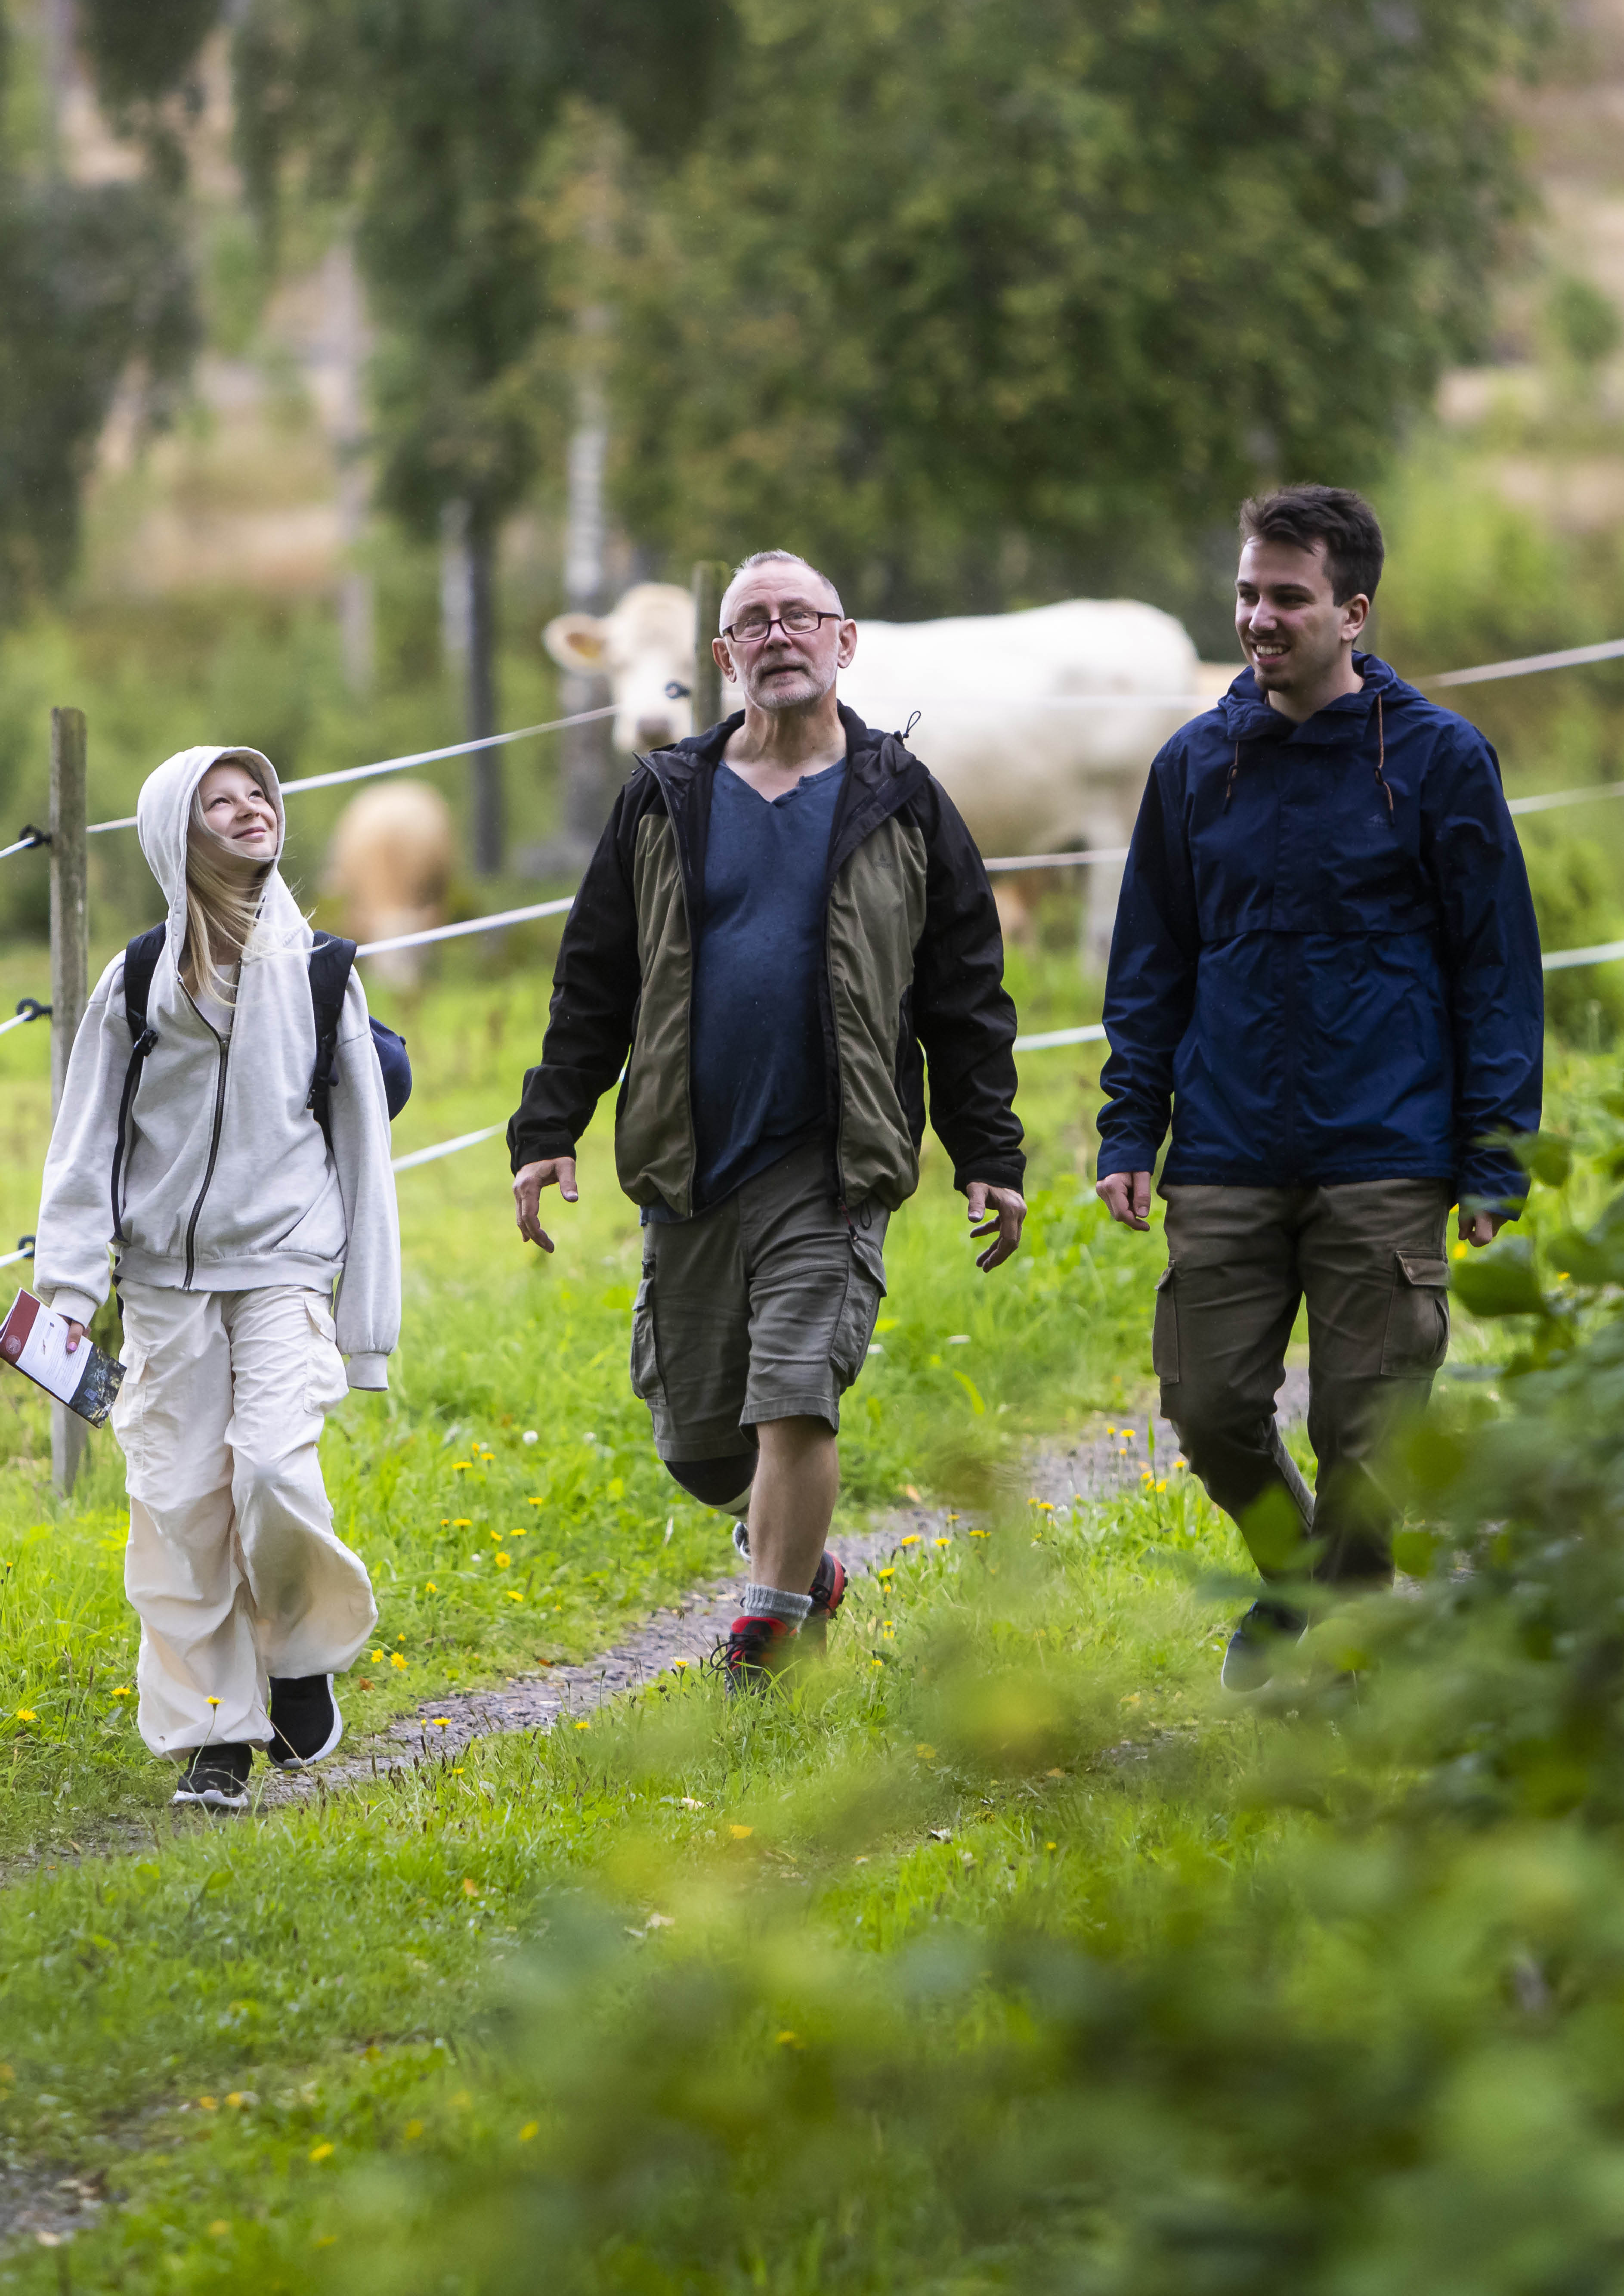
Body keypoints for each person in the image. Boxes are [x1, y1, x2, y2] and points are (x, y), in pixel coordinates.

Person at [507, 548, 1029, 1687]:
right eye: (755, 621)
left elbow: (965, 990)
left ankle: (768, 1631)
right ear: (723, 657)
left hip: (833, 1158)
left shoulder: (902, 798)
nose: (780, 634)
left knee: (796, 1392)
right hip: (692, 1155)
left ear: (845, 643)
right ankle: (805, 1566)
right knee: (701, 1445)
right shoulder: (665, 797)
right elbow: (594, 975)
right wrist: (549, 1126)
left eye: (803, 616)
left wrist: (990, 1150)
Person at [1095, 484, 1544, 1692]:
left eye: (1286, 597)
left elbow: (1494, 968)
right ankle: (1309, 1589)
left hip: (1386, 1150)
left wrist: (1494, 1155)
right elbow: (1151, 964)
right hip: (1229, 1145)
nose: (1258, 618)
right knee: (1206, 1406)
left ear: (1352, 612)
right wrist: (1130, 1124)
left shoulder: (1439, 761)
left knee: (1368, 1432)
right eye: (1246, 593)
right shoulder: (1193, 768)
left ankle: (1339, 1645)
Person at [33, 747, 399, 1810]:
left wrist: (367, 1324)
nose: (250, 812)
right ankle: (214, 1743)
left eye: (260, 797)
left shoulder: (327, 971)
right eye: (220, 802)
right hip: (162, 1285)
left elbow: (364, 1151)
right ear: (173, 835)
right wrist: (63, 1296)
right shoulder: (138, 976)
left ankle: (296, 1660)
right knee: (183, 1510)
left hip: (287, 1265)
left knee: (274, 1471)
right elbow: (83, 1139)